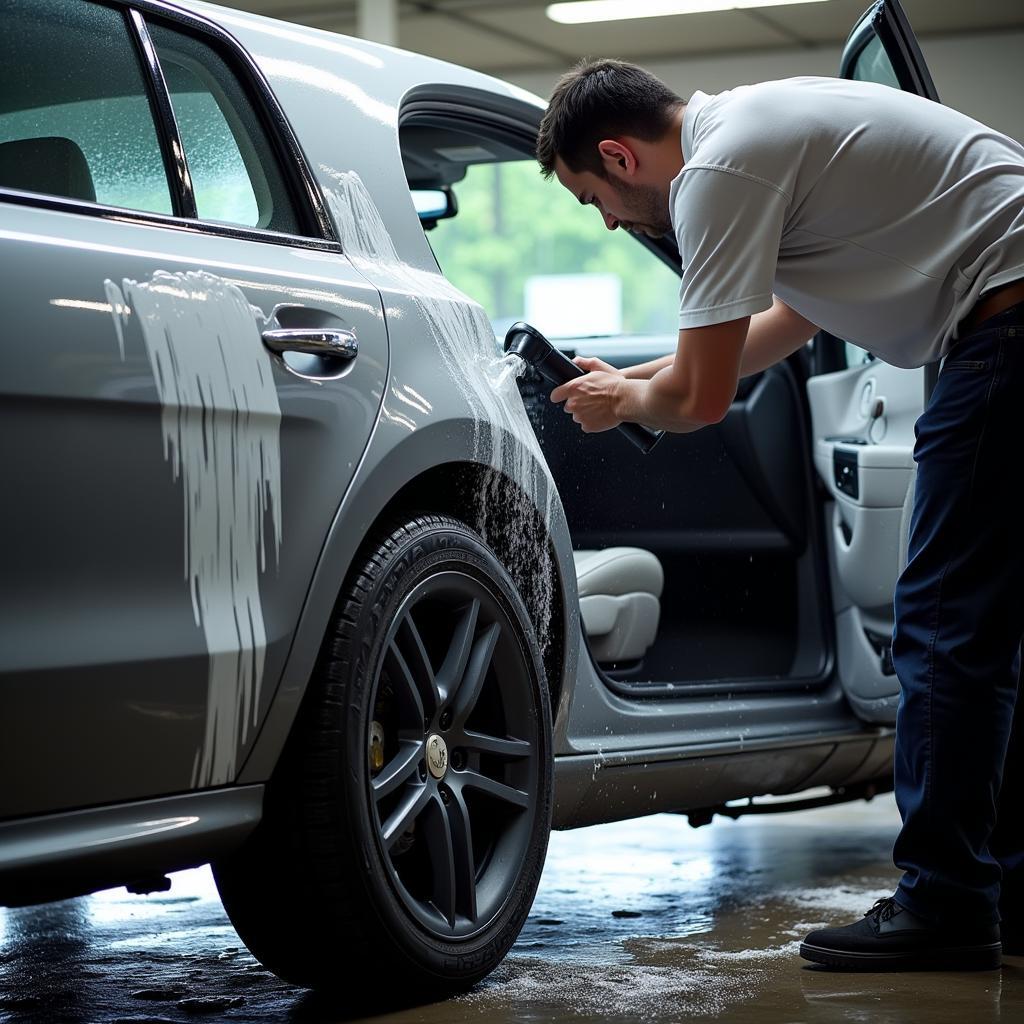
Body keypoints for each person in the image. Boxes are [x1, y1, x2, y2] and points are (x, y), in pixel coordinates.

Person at [537, 58, 1024, 972]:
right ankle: (1004, 892)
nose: (605, 220)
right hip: (1007, 309)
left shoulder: (715, 176)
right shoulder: (757, 129)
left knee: (946, 627)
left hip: (1008, 326)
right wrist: (629, 381)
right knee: (995, 629)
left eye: (590, 197)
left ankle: (948, 902)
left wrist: (631, 406)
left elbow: (706, 397)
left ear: (618, 154)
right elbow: (783, 325)